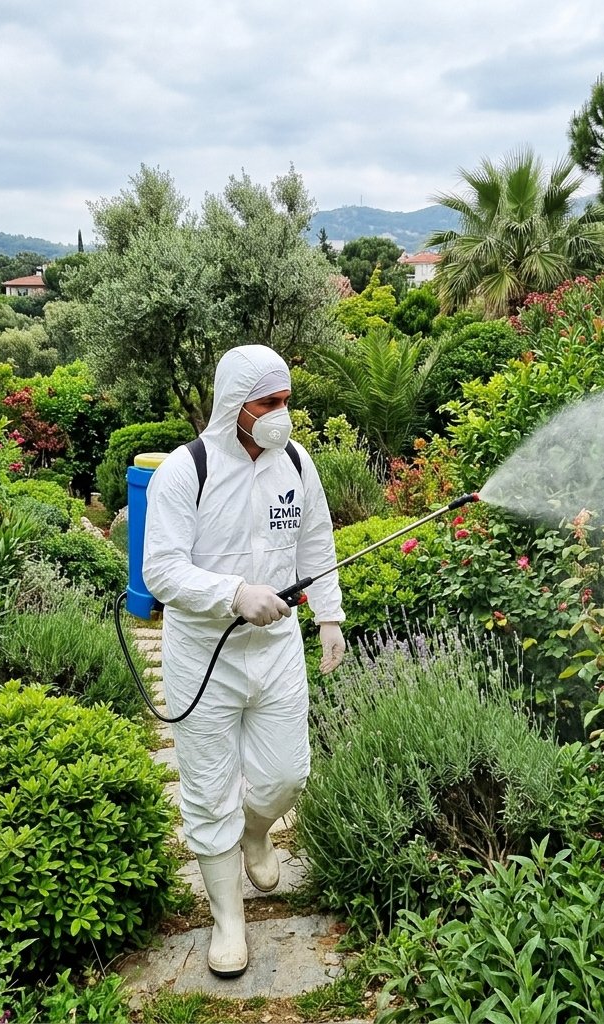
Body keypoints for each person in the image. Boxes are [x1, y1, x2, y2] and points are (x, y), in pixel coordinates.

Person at [142, 344, 346, 978]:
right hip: (204, 656)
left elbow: (316, 538)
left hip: (277, 652)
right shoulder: (186, 470)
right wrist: (232, 593)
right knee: (206, 793)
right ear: (234, 404)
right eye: (267, 403)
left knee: (287, 774)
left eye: (287, 401)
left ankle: (256, 830)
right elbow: (161, 570)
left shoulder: (296, 462)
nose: (280, 415)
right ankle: (228, 921)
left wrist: (330, 615)